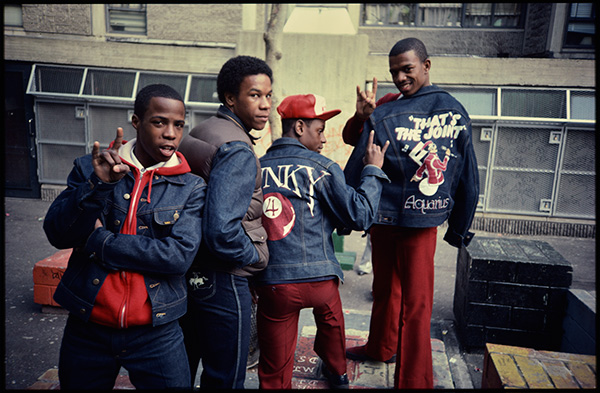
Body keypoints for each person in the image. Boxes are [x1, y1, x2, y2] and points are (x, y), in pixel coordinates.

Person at [43, 84, 206, 389]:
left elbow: (177, 258)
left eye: (179, 125)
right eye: (159, 122)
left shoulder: (191, 187)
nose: (171, 133)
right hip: (88, 326)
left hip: (157, 330)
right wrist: (98, 186)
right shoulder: (91, 168)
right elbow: (58, 233)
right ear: (136, 121)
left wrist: (99, 242)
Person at [342, 38, 479, 389]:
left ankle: (415, 381)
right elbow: (353, 140)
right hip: (398, 220)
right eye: (394, 72)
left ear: (427, 65)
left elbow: (465, 172)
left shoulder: (402, 112)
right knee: (388, 289)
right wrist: (362, 115)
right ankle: (381, 347)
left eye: (408, 69)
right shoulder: (391, 107)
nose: (401, 77)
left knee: (415, 304)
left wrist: (346, 209)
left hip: (410, 220)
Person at [255, 94, 390, 389]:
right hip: (319, 280)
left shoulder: (255, 167)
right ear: (300, 127)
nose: (324, 139)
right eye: (320, 130)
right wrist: (372, 170)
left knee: (274, 367)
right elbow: (360, 215)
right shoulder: (322, 167)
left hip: (273, 283)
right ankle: (338, 372)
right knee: (331, 319)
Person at [177, 55, 271, 389]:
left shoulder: (202, 129)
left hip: (192, 271)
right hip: (225, 279)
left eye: (268, 96)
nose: (265, 105)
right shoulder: (237, 148)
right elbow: (221, 230)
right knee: (225, 377)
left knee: (183, 368)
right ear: (231, 98)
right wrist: (255, 257)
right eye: (255, 95)